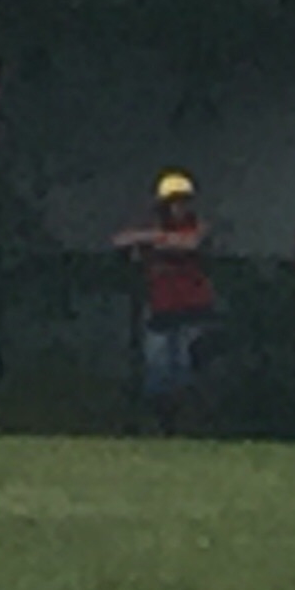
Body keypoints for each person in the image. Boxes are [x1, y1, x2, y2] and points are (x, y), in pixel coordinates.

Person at [114, 172, 217, 430]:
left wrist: (152, 240)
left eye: (183, 201)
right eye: (174, 202)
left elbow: (191, 243)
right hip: (161, 310)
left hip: (193, 309)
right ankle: (162, 422)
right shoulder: (153, 228)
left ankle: (192, 422)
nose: (179, 207)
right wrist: (150, 240)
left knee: (186, 368)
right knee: (157, 369)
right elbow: (121, 241)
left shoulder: (198, 226)